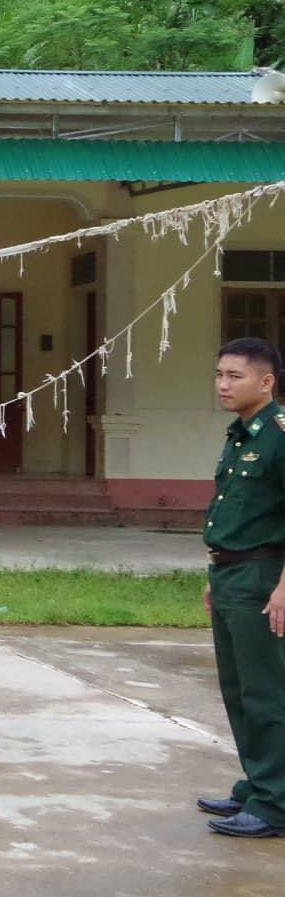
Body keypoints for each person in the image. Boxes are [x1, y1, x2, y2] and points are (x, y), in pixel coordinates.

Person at [196, 337, 285, 838]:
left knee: (267, 692)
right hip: (230, 574)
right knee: (238, 690)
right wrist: (218, 569)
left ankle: (275, 805)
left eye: (235, 376)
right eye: (219, 374)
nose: (223, 384)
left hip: (264, 577)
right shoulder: (240, 435)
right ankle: (257, 785)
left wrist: (283, 588)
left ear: (266, 382)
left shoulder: (279, 434)